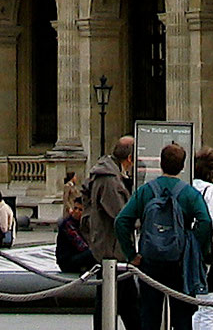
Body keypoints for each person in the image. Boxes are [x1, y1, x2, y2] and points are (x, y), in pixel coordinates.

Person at [116, 144, 213, 330]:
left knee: (149, 316)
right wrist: (194, 249)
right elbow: (206, 223)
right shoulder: (189, 193)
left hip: (150, 261)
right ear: (183, 166)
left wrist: (131, 254)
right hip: (179, 263)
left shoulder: (145, 191)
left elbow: (121, 221)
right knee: (182, 318)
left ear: (161, 163)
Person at [87, 137, 140, 330]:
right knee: (126, 303)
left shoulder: (109, 174)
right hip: (113, 251)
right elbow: (120, 215)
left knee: (119, 301)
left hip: (110, 248)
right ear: (129, 157)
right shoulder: (109, 179)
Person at [193, 149, 213, 330]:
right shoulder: (209, 191)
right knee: (210, 309)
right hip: (203, 255)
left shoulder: (186, 186)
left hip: (183, 252)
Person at [57, 190, 98, 274]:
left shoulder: (84, 223)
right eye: (75, 208)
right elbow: (81, 245)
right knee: (93, 254)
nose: (76, 212)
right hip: (68, 261)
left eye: (80, 210)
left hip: (78, 257)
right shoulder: (68, 224)